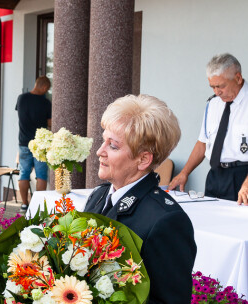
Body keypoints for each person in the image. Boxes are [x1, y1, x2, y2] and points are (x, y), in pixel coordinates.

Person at [84, 94, 197, 303]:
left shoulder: (165, 220)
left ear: (143, 159)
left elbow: (170, 299)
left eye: (113, 146)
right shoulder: (98, 196)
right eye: (103, 141)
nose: (100, 151)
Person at [168, 53, 248, 205]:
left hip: (243, 177)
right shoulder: (213, 105)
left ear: (238, 78)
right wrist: (184, 173)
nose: (216, 92)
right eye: (213, 86)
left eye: (221, 86)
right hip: (215, 176)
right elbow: (202, 144)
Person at [16, 75, 52, 211]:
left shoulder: (21, 98)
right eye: (47, 89)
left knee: (24, 173)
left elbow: (21, 115)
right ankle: (38, 206)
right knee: (41, 175)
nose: (46, 91)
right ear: (43, 87)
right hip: (40, 144)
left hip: (24, 142)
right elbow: (49, 122)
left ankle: (24, 204)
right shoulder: (45, 103)